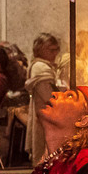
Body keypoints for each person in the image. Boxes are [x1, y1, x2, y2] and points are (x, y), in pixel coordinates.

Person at [26, 33, 62, 162]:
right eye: (51, 50)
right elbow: (48, 96)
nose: (54, 54)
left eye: (56, 50)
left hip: (47, 118)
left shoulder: (44, 66)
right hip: (46, 118)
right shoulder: (40, 67)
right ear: (40, 50)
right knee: (45, 158)